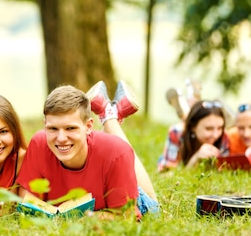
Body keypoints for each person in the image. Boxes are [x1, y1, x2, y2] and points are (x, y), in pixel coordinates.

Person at [16, 83, 159, 221]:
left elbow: (126, 217)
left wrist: (83, 219)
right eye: (53, 128)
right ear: (45, 125)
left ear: (89, 126)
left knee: (154, 208)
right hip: (100, 168)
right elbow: (25, 197)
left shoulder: (117, 153)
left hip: (128, 194)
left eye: (71, 128)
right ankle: (110, 113)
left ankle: (109, 117)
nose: (61, 138)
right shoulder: (39, 143)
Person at [158, 100, 230, 171]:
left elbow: (225, 169)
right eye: (209, 129)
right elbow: (165, 173)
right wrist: (195, 159)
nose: (215, 135)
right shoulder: (177, 133)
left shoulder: (223, 135)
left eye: (220, 128)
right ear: (193, 127)